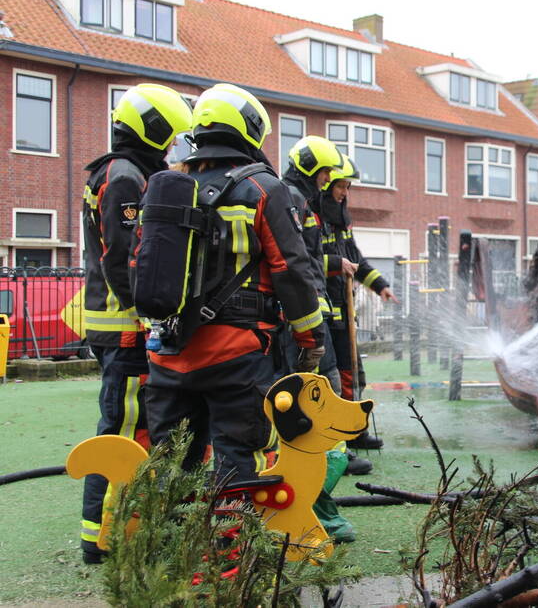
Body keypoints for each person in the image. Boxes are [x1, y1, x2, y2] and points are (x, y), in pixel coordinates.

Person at [143, 83, 325, 488]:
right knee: (239, 459)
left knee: (172, 466)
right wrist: (310, 337)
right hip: (237, 353)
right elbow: (290, 269)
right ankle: (231, 547)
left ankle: (168, 544)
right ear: (249, 129)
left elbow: (142, 261)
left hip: (169, 353)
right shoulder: (262, 188)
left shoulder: (169, 185)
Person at [79, 83, 193, 564]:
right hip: (124, 324)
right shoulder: (125, 177)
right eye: (169, 137)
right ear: (153, 128)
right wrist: (151, 311)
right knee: (123, 430)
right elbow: (122, 256)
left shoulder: (124, 171)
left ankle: (123, 526)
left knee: (138, 428)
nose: (171, 148)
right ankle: (101, 539)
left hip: (124, 323)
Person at [280, 136, 373, 477]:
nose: (329, 182)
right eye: (327, 175)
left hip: (312, 310)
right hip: (307, 313)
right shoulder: (293, 200)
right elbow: (297, 260)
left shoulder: (300, 201)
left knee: (324, 381)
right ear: (312, 169)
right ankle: (330, 456)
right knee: (324, 384)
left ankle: (333, 452)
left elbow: (308, 257)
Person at [319, 165, 398, 446]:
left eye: (347, 188)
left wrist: (380, 285)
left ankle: (353, 431)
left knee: (353, 373)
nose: (344, 192)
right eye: (340, 186)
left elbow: (356, 260)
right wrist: (336, 266)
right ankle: (339, 437)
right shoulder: (314, 218)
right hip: (325, 312)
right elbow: (309, 261)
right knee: (334, 377)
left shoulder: (342, 222)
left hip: (344, 311)